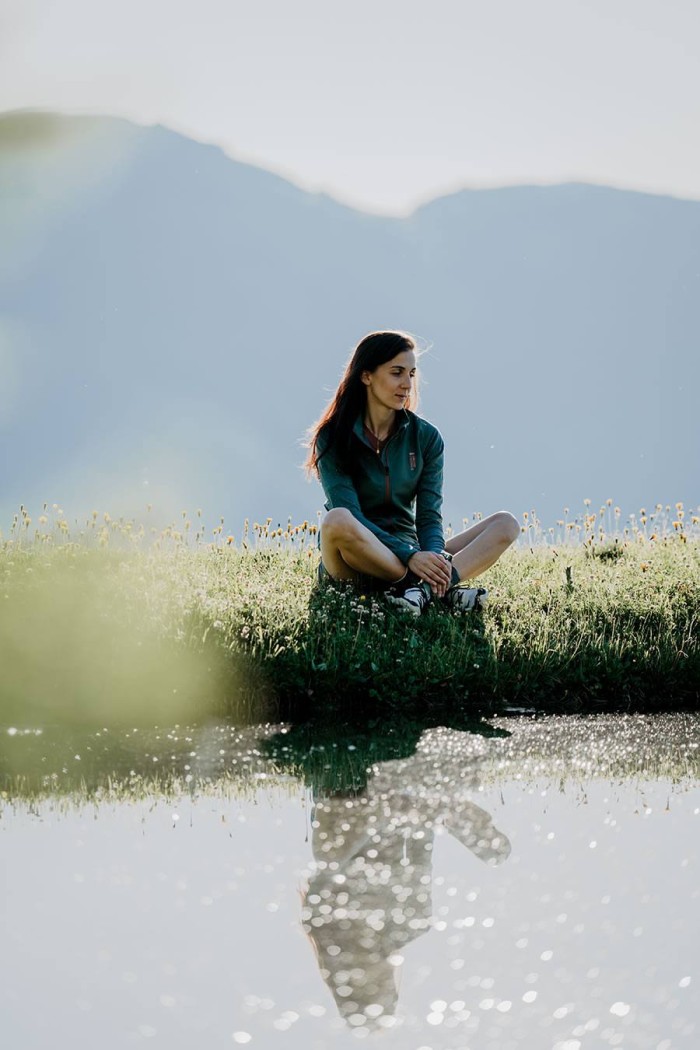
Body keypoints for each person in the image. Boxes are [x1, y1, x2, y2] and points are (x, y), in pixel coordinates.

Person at [305, 330, 520, 615]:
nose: (407, 384)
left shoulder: (427, 438)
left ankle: (423, 591)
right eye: (397, 373)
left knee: (506, 524)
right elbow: (351, 514)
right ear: (366, 375)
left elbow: (429, 515)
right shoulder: (332, 437)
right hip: (355, 558)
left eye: (412, 374)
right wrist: (410, 556)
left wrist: (431, 555)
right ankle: (424, 587)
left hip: (412, 550)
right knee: (337, 520)